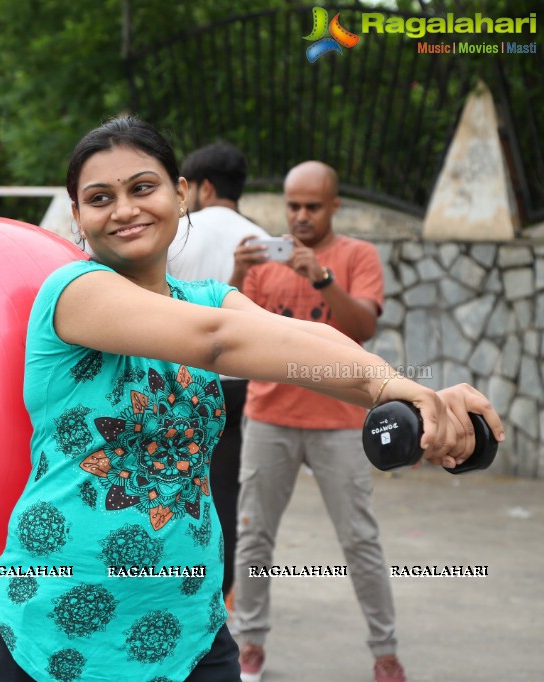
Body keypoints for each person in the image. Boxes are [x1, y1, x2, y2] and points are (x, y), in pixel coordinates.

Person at [0, 115, 502, 682]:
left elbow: (304, 342)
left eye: (143, 187)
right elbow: (219, 343)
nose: (125, 209)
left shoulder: (207, 296)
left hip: (188, 630)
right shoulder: (73, 292)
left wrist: (414, 393)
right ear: (78, 217)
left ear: (182, 196)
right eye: (100, 198)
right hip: (57, 630)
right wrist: (387, 384)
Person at [232, 161, 405, 682]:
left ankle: (386, 652)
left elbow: (364, 327)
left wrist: (322, 278)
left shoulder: (356, 256)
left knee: (359, 540)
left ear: (334, 206)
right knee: (254, 537)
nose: (301, 217)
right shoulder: (263, 261)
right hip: (269, 418)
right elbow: (229, 330)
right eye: (292, 206)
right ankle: (250, 645)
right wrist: (238, 275)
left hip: (340, 421)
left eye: (312, 206)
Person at [167, 142, 272, 605]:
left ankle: (173, 579)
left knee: (175, 481)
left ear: (203, 186)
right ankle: (223, 592)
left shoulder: (177, 230)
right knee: (226, 488)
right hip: (241, 381)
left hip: (180, 376)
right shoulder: (262, 238)